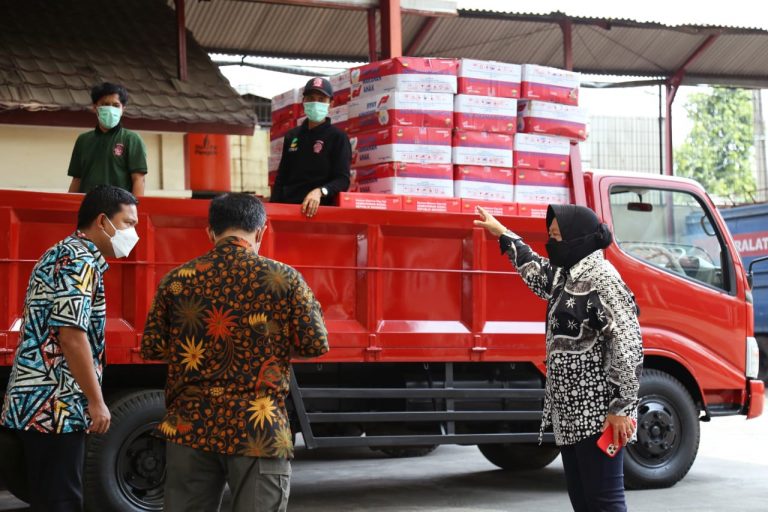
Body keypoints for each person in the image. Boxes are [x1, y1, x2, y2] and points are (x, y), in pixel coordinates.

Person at [141, 193, 330, 512]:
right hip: (258, 427)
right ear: (261, 232)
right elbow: (315, 344)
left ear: (210, 232)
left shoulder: (177, 281)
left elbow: (152, 348)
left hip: (191, 426)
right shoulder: (284, 280)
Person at [474, 204, 643, 512]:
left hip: (599, 417)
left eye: (557, 236)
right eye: (549, 235)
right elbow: (535, 269)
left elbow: (628, 344)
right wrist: (503, 234)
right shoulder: (566, 275)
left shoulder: (602, 279)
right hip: (569, 417)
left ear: (578, 237)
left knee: (605, 503)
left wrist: (622, 408)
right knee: (583, 502)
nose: (551, 243)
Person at [0, 185, 140, 512]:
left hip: (37, 402)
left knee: (51, 499)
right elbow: (71, 334)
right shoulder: (79, 261)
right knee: (61, 502)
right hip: (54, 407)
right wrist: (96, 401)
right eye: (129, 223)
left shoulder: (63, 252)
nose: (134, 233)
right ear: (103, 221)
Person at [271, 77, 351, 218]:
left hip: (320, 212)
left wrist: (320, 191)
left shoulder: (338, 137)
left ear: (330, 104)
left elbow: (342, 179)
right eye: (311, 98)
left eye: (321, 99)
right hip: (289, 211)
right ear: (304, 102)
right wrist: (272, 209)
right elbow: (282, 177)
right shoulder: (292, 136)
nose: (315, 103)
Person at [67, 82, 148, 196]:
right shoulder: (83, 140)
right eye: (105, 104)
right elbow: (77, 179)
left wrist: (135, 211)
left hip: (119, 209)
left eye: (116, 105)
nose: (110, 109)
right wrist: (71, 207)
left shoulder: (131, 139)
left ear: (122, 109)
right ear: (95, 108)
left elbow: (138, 179)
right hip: (88, 208)